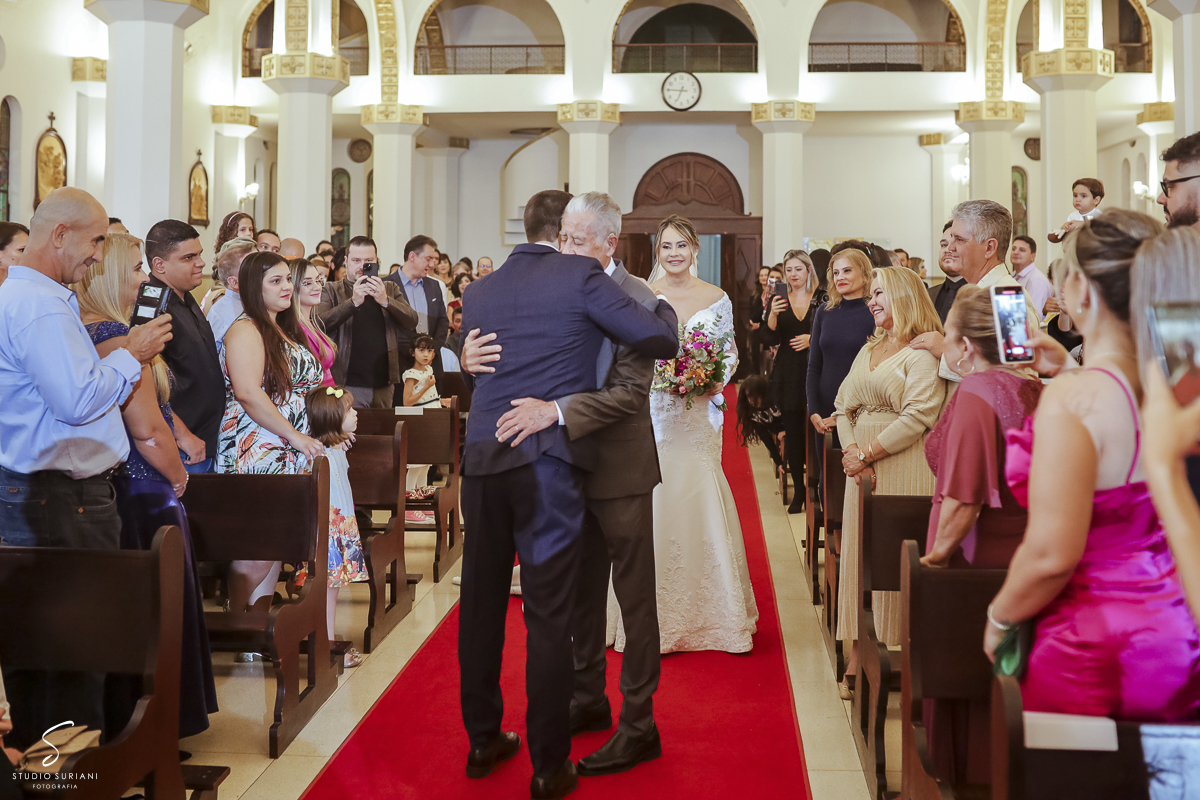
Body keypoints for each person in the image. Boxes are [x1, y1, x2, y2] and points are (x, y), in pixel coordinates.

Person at [455, 190, 678, 798]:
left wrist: (556, 408)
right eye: (567, 237)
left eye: (583, 239)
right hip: (549, 467)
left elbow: (633, 391)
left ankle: (638, 723)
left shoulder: (642, 299)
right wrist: (464, 354)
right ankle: (579, 707)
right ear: (556, 236)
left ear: (610, 240)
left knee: (629, 601)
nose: (572, 248)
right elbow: (499, 343)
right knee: (563, 605)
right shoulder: (555, 279)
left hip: (612, 466)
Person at [984, 210, 1200, 721]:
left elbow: (1052, 554)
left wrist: (999, 618)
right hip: (1178, 621)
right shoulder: (1177, 382)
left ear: (1081, 289)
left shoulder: (1077, 399)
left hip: (1098, 638)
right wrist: (1071, 367)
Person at [0, 187, 172, 750]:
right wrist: (133, 353)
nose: (100, 254)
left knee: (43, 653)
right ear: (60, 235)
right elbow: (76, 402)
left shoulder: (30, 298)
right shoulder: (41, 306)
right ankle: (65, 782)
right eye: (96, 240)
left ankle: (47, 776)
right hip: (58, 497)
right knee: (71, 652)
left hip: (44, 494)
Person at [78, 232, 218, 739]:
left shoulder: (82, 329)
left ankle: (123, 721)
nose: (143, 278)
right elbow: (146, 428)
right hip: (145, 490)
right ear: (111, 276)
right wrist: (178, 476)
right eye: (135, 268)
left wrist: (177, 428)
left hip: (113, 491)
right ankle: (158, 727)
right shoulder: (118, 334)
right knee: (158, 613)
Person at [607, 213, 760, 655]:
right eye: (666, 246)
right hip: (652, 409)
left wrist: (714, 377)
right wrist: (657, 376)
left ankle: (713, 612)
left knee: (699, 491)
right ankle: (642, 612)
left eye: (682, 246)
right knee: (651, 496)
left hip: (698, 413)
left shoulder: (717, 297)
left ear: (695, 250)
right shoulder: (642, 294)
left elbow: (729, 351)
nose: (674, 254)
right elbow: (629, 350)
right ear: (658, 252)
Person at [835, 267, 946, 699]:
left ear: (903, 296)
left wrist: (866, 453)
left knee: (891, 558)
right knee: (861, 554)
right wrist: (851, 454)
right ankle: (857, 649)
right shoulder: (870, 349)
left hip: (902, 465)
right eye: (871, 295)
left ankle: (895, 651)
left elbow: (920, 416)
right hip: (859, 470)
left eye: (879, 293)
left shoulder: (920, 353)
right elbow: (843, 404)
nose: (872, 301)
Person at [218, 251, 326, 621]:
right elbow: (248, 392)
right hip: (259, 445)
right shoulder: (245, 329)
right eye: (275, 281)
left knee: (276, 540)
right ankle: (234, 620)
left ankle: (255, 624)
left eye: (287, 279)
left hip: (285, 444)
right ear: (252, 287)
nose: (286, 287)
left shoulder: (282, 326)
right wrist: (294, 435)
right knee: (256, 545)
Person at [922, 285, 1043, 571]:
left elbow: (965, 499)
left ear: (965, 345)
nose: (943, 339)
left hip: (975, 556)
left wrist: (934, 560)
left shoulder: (977, 389)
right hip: (1020, 553)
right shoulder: (1034, 388)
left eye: (947, 332)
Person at [914, 200, 1039, 381]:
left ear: (989, 247)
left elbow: (1018, 378)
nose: (950, 248)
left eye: (959, 240)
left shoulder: (1007, 298)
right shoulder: (976, 292)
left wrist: (946, 351)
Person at [145, 219, 225, 474]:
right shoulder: (151, 305)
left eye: (199, 254)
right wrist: (182, 435)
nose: (201, 263)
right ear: (160, 264)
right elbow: (146, 382)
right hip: (183, 445)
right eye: (188, 257)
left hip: (205, 438)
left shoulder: (184, 294)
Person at [303, 386, 368, 668]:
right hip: (329, 532)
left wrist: (343, 437)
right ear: (331, 418)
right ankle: (327, 649)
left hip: (340, 529)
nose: (356, 414)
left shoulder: (335, 446)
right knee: (328, 592)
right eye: (349, 411)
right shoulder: (319, 454)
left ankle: (327, 642)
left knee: (333, 591)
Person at [317, 235, 418, 408]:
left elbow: (411, 321)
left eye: (368, 260)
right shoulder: (331, 290)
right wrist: (352, 303)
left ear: (376, 261)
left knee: (382, 433)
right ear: (346, 261)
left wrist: (386, 301)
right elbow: (320, 324)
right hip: (345, 382)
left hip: (384, 383)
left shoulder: (389, 289)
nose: (362, 266)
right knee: (348, 433)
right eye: (356, 260)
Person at [763, 249, 826, 514]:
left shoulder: (822, 298)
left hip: (818, 370)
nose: (792, 275)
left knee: (819, 430)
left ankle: (821, 486)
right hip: (788, 372)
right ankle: (799, 490)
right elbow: (768, 340)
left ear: (809, 270)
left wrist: (812, 339)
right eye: (789, 270)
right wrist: (773, 315)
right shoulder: (779, 299)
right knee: (794, 434)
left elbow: (832, 332)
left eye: (798, 269)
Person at [807, 248, 876, 446]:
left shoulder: (875, 311)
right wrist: (813, 410)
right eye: (836, 273)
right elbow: (814, 366)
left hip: (862, 408)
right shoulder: (824, 311)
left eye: (847, 271)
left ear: (864, 273)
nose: (840, 277)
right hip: (825, 405)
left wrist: (848, 413)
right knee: (827, 474)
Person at [385, 234, 450, 380]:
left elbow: (442, 321)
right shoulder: (386, 286)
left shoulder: (435, 286)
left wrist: (430, 350)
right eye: (429, 259)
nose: (432, 265)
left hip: (431, 367)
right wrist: (413, 352)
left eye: (434, 260)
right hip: (399, 367)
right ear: (412, 256)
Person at [207, 237, 257, 357]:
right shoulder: (231, 312)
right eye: (252, 268)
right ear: (234, 283)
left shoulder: (248, 302)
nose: (262, 271)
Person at [290, 258, 336, 386]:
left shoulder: (310, 323)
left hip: (326, 399)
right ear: (292, 287)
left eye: (318, 280)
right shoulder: (294, 329)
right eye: (308, 283)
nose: (317, 287)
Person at [736, 374, 785, 472]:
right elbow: (767, 439)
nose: (751, 401)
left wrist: (787, 430)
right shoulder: (754, 414)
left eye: (754, 396)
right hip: (784, 436)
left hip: (797, 428)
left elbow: (795, 418)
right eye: (748, 397)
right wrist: (778, 462)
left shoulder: (776, 400)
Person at [1048, 178, 1104, 243]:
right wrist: (1065, 227)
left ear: (1096, 200)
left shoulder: (1098, 214)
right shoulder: (1072, 215)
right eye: (1075, 195)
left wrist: (1082, 224)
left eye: (1083, 196)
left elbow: (1097, 225)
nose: (1077, 199)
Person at [1011, 235, 1052, 321]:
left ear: (1033, 256)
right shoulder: (1012, 276)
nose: (1016, 252)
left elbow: (1033, 317)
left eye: (1022, 250)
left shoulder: (1036, 280)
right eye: (1013, 249)